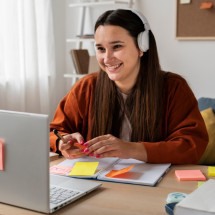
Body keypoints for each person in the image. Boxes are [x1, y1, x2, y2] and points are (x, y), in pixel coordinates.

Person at [50, 9, 208, 164]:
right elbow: (53, 131)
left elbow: (192, 145)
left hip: (155, 187)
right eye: (100, 49)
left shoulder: (174, 87)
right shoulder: (86, 87)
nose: (107, 58)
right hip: (100, 183)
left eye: (117, 46)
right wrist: (61, 143)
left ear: (142, 46)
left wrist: (132, 149)